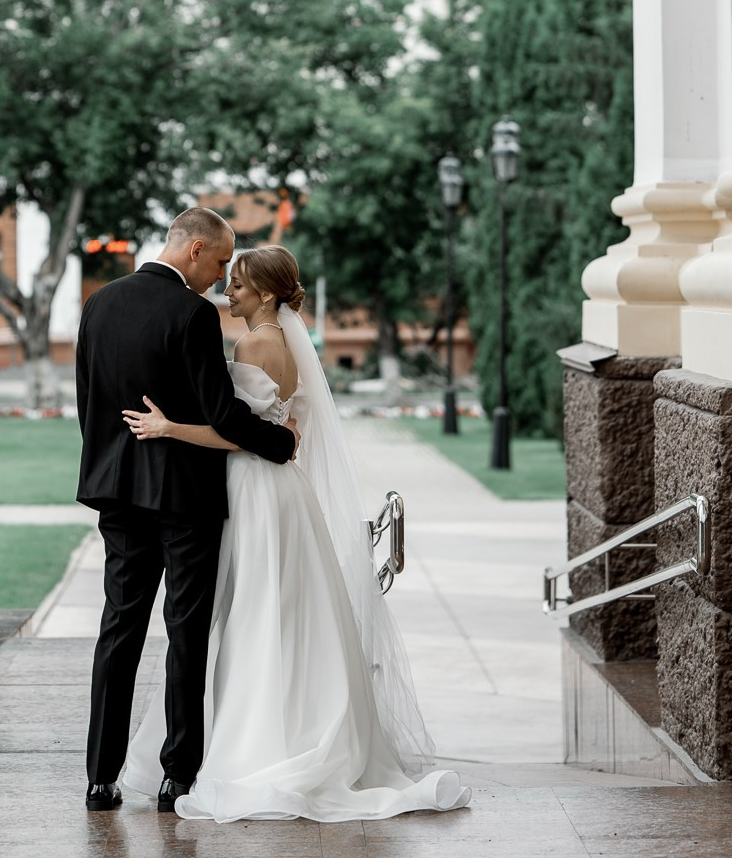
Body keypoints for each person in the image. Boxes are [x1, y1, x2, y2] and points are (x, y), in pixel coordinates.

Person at [120, 244, 470, 822]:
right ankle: (292, 723)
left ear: (264, 292)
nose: (227, 293)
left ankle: (256, 739)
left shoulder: (253, 343)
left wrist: (168, 427)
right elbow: (289, 424)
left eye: (237, 285)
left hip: (252, 487)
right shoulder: (287, 345)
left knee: (250, 609)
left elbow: (238, 433)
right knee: (284, 608)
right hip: (284, 490)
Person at [75, 207, 297, 815]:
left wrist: (108, 465)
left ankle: (100, 778)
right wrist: (282, 443)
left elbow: (88, 403)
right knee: (185, 632)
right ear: (196, 249)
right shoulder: (192, 314)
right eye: (223, 261)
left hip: (116, 491)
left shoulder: (98, 303)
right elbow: (222, 414)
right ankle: (178, 776)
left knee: (118, 629)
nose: (223, 276)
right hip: (183, 498)